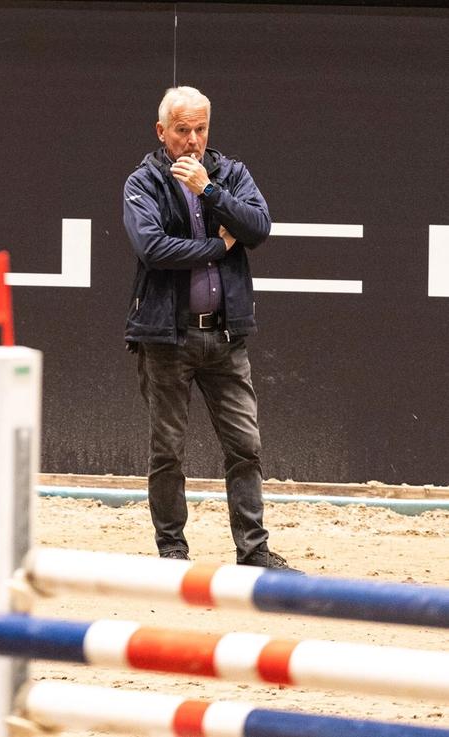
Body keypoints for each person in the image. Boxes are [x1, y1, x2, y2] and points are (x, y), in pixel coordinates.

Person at [122, 86, 295, 570]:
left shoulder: (230, 174)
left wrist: (209, 191)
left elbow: (258, 227)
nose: (193, 140)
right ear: (161, 132)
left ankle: (254, 551)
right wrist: (219, 248)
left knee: (245, 446)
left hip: (225, 336)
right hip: (166, 337)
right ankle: (172, 551)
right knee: (168, 451)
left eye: (200, 129)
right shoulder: (143, 182)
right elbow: (153, 249)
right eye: (182, 130)